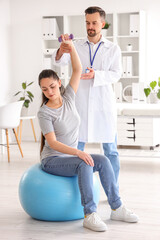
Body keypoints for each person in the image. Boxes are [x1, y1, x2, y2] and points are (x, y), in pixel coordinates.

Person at [37, 36, 138, 232]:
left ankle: (116, 207)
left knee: (103, 160)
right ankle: (90, 214)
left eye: (52, 86)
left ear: (59, 83)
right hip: (53, 159)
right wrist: (78, 152)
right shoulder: (44, 112)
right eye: (44, 89)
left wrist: (72, 47)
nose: (49, 91)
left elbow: (77, 68)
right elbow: (54, 144)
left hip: (68, 156)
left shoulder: (68, 98)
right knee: (84, 161)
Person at [52, 6, 122, 184]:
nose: (90, 26)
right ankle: (75, 185)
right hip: (80, 103)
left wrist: (96, 75)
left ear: (102, 24)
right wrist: (61, 49)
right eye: (87, 23)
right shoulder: (76, 46)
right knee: (76, 146)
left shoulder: (113, 48)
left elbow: (116, 74)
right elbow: (60, 62)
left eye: (94, 23)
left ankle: (112, 186)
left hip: (103, 105)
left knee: (111, 149)